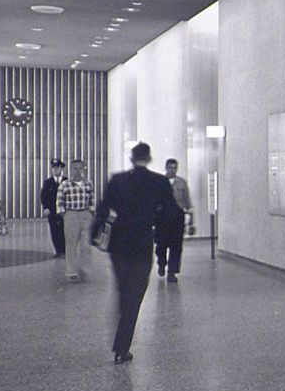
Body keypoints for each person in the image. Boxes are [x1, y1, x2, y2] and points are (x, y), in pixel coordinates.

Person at [93, 141, 178, 364]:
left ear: (131, 158)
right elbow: (169, 213)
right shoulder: (159, 182)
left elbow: (102, 209)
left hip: (119, 242)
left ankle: (121, 334)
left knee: (123, 289)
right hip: (142, 240)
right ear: (149, 158)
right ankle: (122, 346)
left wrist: (96, 234)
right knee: (136, 293)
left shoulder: (118, 180)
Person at [56, 158, 95, 283]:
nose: (77, 171)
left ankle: (85, 270)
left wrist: (91, 212)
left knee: (86, 245)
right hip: (71, 214)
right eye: (74, 168)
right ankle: (72, 272)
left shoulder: (88, 183)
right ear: (70, 170)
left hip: (85, 214)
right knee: (71, 245)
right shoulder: (65, 184)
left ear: (84, 169)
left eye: (80, 168)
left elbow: (92, 200)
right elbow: (60, 202)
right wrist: (65, 215)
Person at [156, 157, 193, 283]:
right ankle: (161, 262)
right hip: (162, 216)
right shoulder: (160, 182)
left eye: (175, 168)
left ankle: (172, 272)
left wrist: (190, 216)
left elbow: (187, 199)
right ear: (166, 168)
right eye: (170, 167)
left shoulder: (181, 182)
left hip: (177, 215)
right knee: (161, 244)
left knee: (176, 245)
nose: (172, 170)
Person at [40, 159, 67, 258]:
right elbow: (44, 196)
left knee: (64, 230)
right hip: (52, 211)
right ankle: (58, 250)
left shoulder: (67, 181)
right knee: (54, 231)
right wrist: (46, 208)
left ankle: (65, 250)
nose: (55, 170)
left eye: (57, 167)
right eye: (53, 168)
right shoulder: (48, 182)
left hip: (64, 211)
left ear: (61, 168)